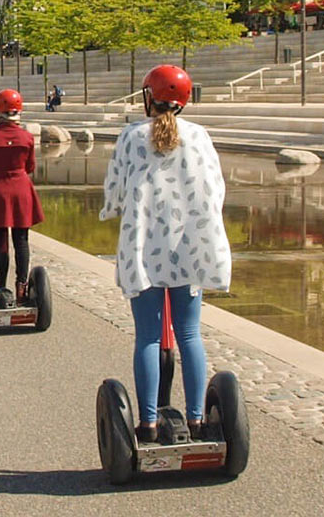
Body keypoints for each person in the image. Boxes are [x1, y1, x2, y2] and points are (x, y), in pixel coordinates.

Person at [98, 64, 230, 444]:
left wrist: (119, 207)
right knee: (190, 335)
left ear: (148, 97)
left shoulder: (130, 137)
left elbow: (115, 192)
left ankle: (149, 423)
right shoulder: (200, 136)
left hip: (145, 250)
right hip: (189, 249)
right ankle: (196, 421)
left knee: (148, 337)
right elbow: (216, 191)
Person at [0, 89, 44, 307]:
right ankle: (21, 288)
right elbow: (31, 167)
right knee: (21, 240)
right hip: (21, 188)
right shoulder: (27, 137)